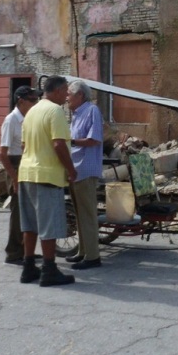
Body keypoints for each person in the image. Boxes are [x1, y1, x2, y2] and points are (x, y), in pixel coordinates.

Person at [17, 76, 77, 287]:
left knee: (30, 224)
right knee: (48, 225)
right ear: (59, 90)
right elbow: (59, 144)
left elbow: (24, 146)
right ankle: (49, 269)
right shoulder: (55, 111)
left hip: (26, 172)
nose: (67, 96)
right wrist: (71, 169)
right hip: (47, 175)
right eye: (66, 92)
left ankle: (28, 266)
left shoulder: (31, 111)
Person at [0, 85, 42, 265]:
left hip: (26, 163)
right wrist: (14, 179)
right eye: (32, 100)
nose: (35, 103)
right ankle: (14, 252)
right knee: (17, 212)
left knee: (28, 211)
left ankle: (26, 250)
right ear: (21, 101)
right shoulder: (11, 120)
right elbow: (2, 154)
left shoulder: (29, 118)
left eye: (36, 99)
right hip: (14, 164)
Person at [65, 80, 104, 270]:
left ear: (80, 95)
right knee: (79, 214)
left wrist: (70, 141)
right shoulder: (75, 114)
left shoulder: (91, 111)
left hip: (86, 170)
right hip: (74, 170)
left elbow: (93, 139)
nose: (67, 98)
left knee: (88, 215)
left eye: (69, 94)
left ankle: (93, 256)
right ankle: (82, 251)